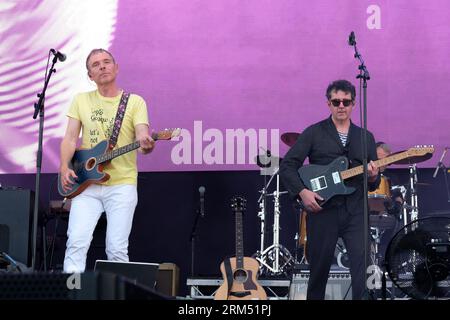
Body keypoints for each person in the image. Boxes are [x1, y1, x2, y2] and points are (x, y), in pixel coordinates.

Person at [280, 79, 380, 300]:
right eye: (336, 101)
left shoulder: (366, 137)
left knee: (362, 272)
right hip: (323, 211)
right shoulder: (314, 132)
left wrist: (374, 176)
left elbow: (372, 182)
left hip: (356, 211)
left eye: (346, 101)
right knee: (318, 271)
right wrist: (302, 192)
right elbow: (287, 165)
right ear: (328, 104)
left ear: (354, 104)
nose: (341, 106)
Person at [59, 48, 155, 273]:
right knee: (76, 243)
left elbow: (142, 135)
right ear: (90, 75)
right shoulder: (81, 100)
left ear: (116, 67)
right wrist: (64, 167)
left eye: (106, 62)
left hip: (122, 184)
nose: (102, 66)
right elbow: (70, 138)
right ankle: (72, 294)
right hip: (86, 184)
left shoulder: (134, 102)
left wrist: (146, 143)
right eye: (95, 64)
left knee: (117, 249)